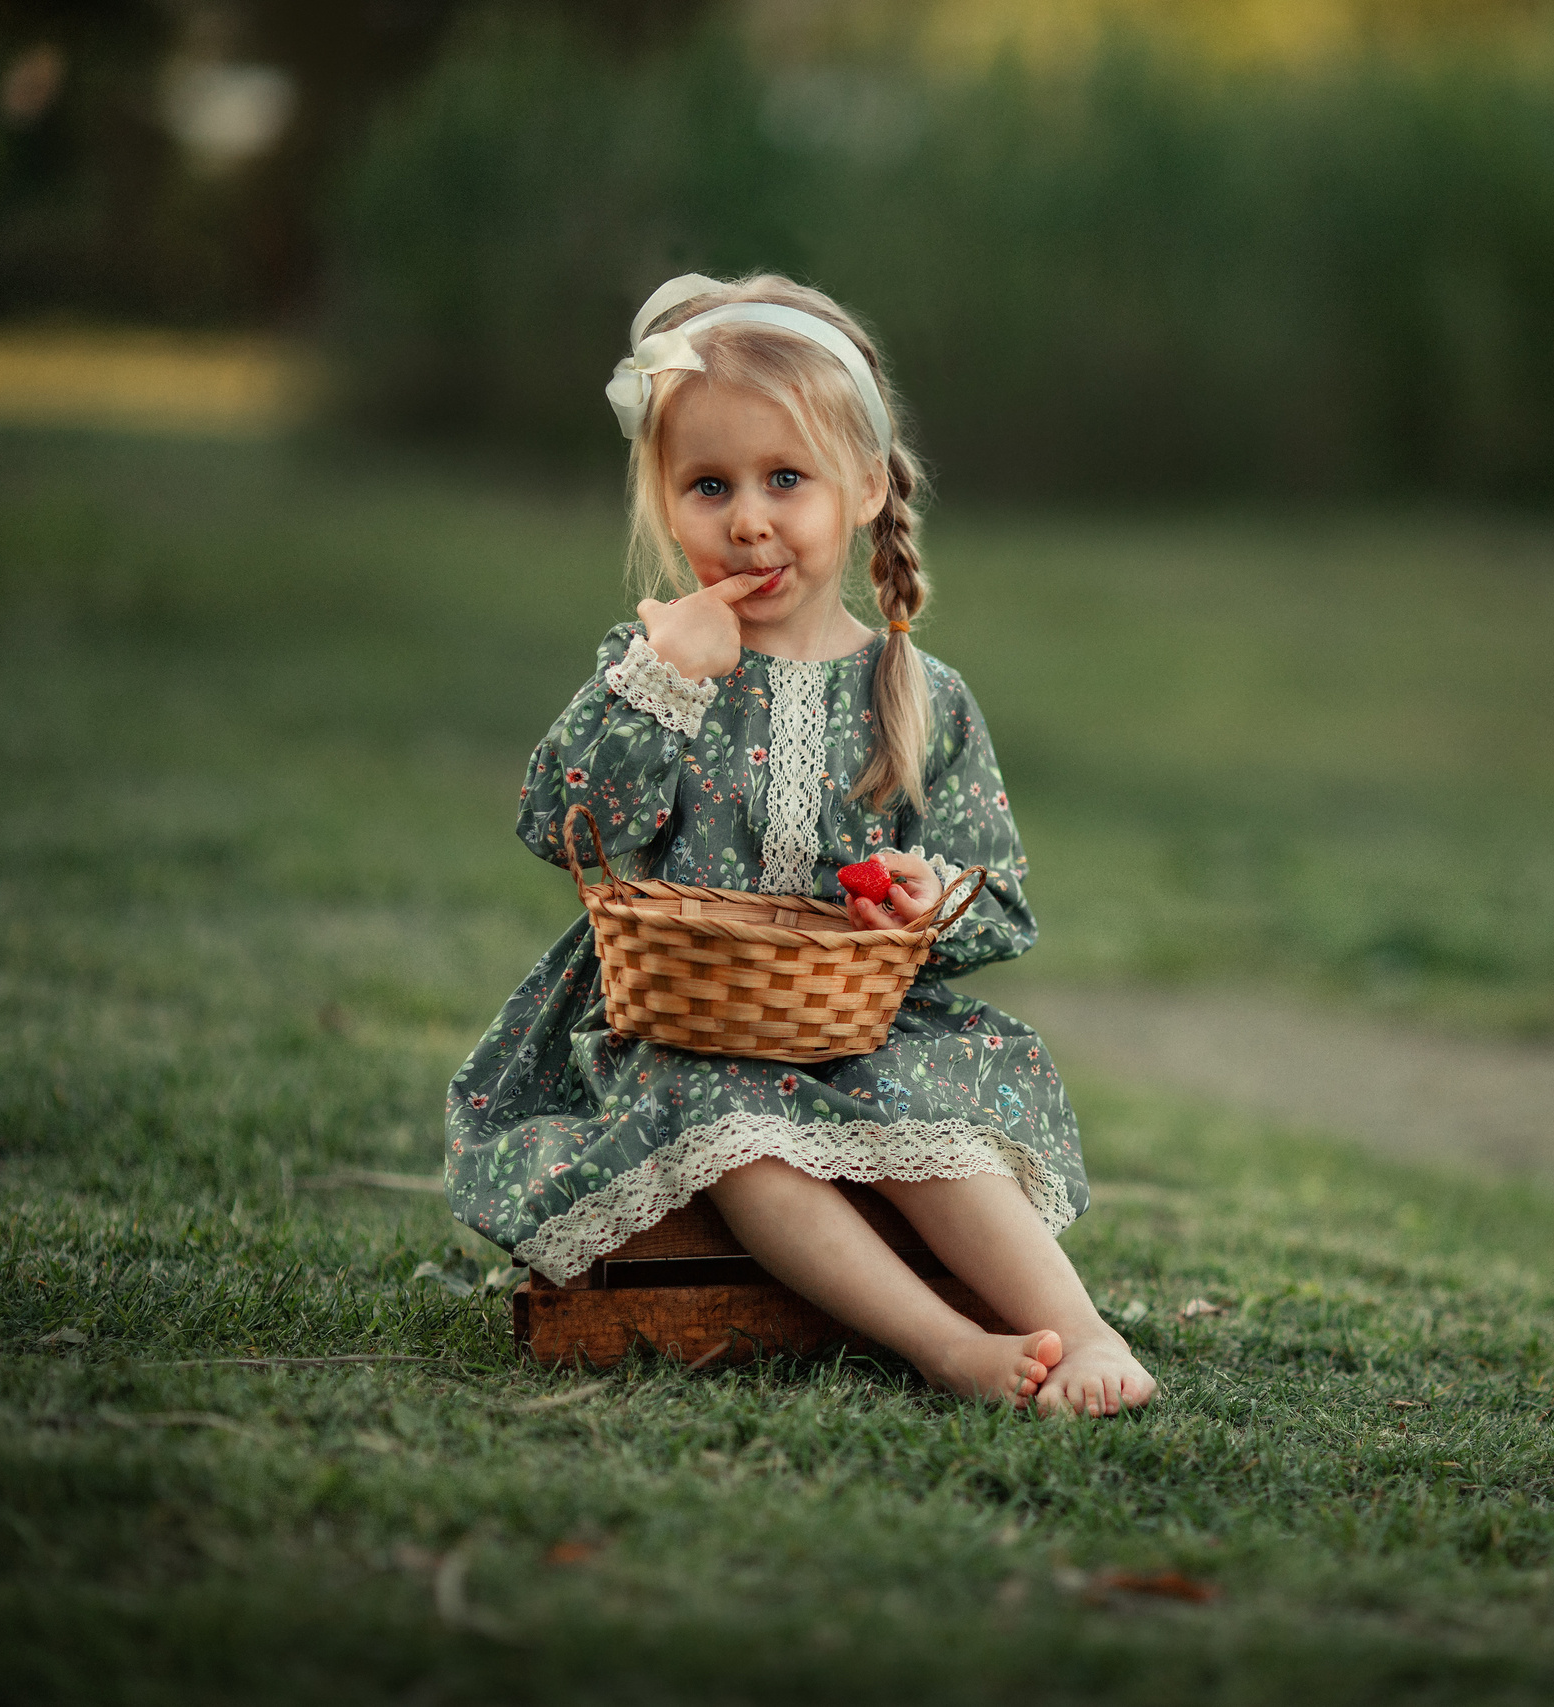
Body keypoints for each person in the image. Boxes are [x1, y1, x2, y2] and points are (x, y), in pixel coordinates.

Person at [443, 273, 1154, 1418]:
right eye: (708, 485)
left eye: (786, 479)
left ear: (866, 487)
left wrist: (931, 898)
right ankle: (945, 1346)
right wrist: (655, 684)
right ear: (664, 503)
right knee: (742, 1145)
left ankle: (1077, 1327)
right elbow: (560, 825)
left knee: (943, 1128)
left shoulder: (916, 692)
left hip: (862, 1026)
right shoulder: (661, 665)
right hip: (681, 1032)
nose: (749, 519)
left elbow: (997, 891)